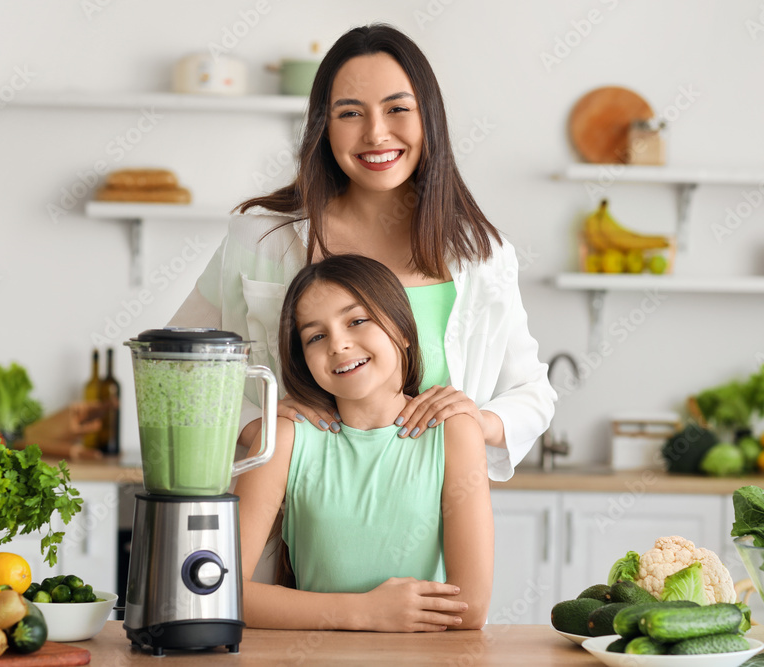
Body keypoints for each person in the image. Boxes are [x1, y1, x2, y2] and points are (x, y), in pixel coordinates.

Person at [170, 23, 555, 481]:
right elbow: (177, 363)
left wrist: (477, 420)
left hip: (431, 533)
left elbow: (533, 392)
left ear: (428, 117)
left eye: (397, 108)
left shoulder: (481, 256)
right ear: (323, 128)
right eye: (350, 113)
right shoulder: (261, 241)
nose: (376, 133)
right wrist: (257, 425)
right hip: (286, 533)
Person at [234, 254, 493, 631]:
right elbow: (220, 592)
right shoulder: (284, 439)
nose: (338, 344)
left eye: (357, 321)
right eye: (316, 336)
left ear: (404, 330)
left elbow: (468, 608)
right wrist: (364, 613)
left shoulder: (454, 433)